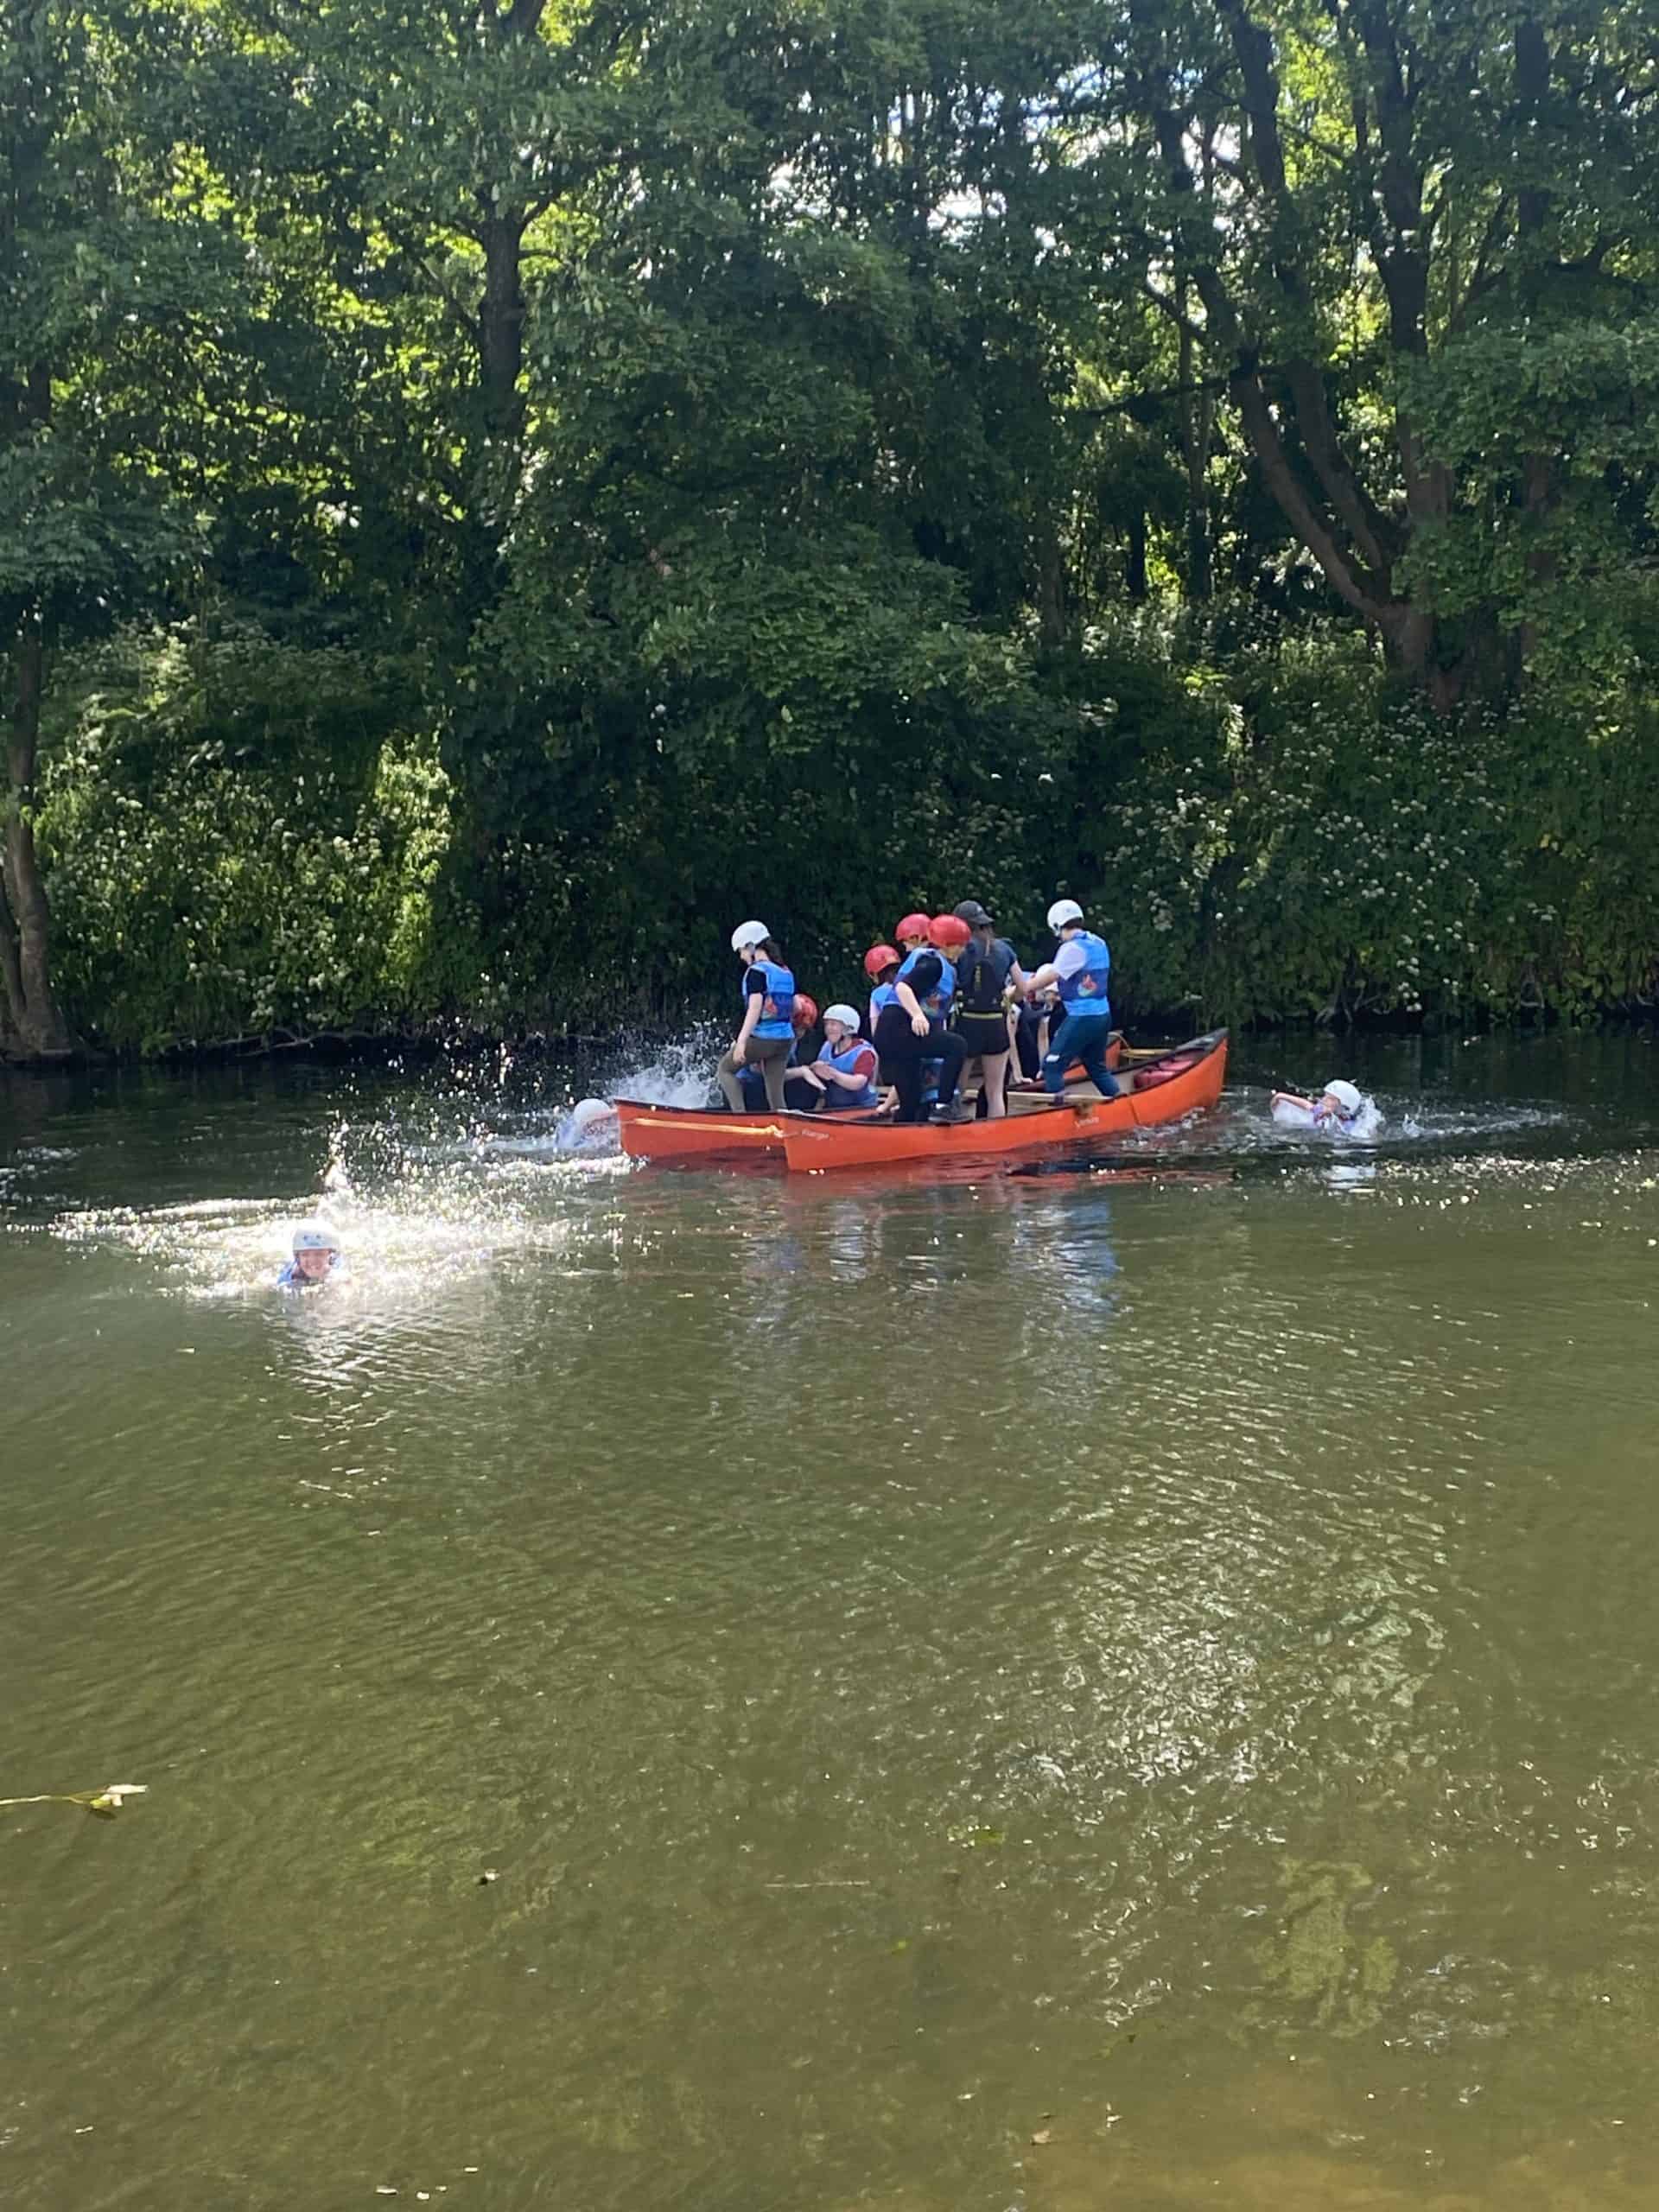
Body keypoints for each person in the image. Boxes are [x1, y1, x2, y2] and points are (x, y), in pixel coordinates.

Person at [1022, 899, 1118, 1099]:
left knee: (1051, 1067)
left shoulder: (1071, 948)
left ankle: (1059, 1112)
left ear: (1057, 926)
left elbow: (1052, 976)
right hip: (1103, 1015)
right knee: (1096, 1067)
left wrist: (1023, 987)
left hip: (1082, 1017)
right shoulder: (1098, 942)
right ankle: (1120, 1103)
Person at [871, 937, 970, 1123]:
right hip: (899, 1031)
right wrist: (917, 1015)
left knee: (911, 1102)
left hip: (889, 1036)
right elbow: (903, 988)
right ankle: (943, 1106)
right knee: (957, 1046)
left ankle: (902, 1132)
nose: (963, 950)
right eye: (961, 945)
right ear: (948, 945)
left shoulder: (934, 963)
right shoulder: (934, 964)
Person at [950, 900, 1027, 1119]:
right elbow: (1023, 988)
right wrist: (1009, 998)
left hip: (966, 1022)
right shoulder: (1004, 948)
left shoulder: (959, 949)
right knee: (995, 1092)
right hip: (995, 1022)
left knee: (958, 1088)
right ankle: (996, 1132)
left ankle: (953, 1129)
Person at [717, 921, 796, 1111]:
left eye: (742, 951)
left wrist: (741, 1042)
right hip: (786, 1039)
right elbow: (793, 1006)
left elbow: (754, 1009)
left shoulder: (756, 972)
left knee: (725, 1070)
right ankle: (784, 1123)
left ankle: (740, 1117)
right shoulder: (785, 972)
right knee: (776, 1095)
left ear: (752, 947)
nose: (742, 957)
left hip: (764, 1038)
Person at [795, 1004, 880, 1110]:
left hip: (861, 1109)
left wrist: (833, 1074)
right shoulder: (826, 1047)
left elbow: (858, 1083)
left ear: (848, 1028)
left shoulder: (863, 1052)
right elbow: (820, 1076)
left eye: (833, 1024)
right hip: (832, 1108)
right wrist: (815, 1068)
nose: (828, 1028)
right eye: (827, 1024)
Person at [1270, 1079, 1381, 1138]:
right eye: (1325, 1096)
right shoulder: (1322, 1114)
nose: (1323, 1100)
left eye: (1330, 1099)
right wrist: (1281, 1096)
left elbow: (1367, 1136)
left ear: (1344, 1105)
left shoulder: (1351, 1127)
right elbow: (1307, 1105)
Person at [277, 1219, 343, 1288]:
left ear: (331, 1257)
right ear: (298, 1258)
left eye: (319, 1254)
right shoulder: (286, 1279)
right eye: (305, 1254)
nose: (312, 1260)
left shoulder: (339, 1275)